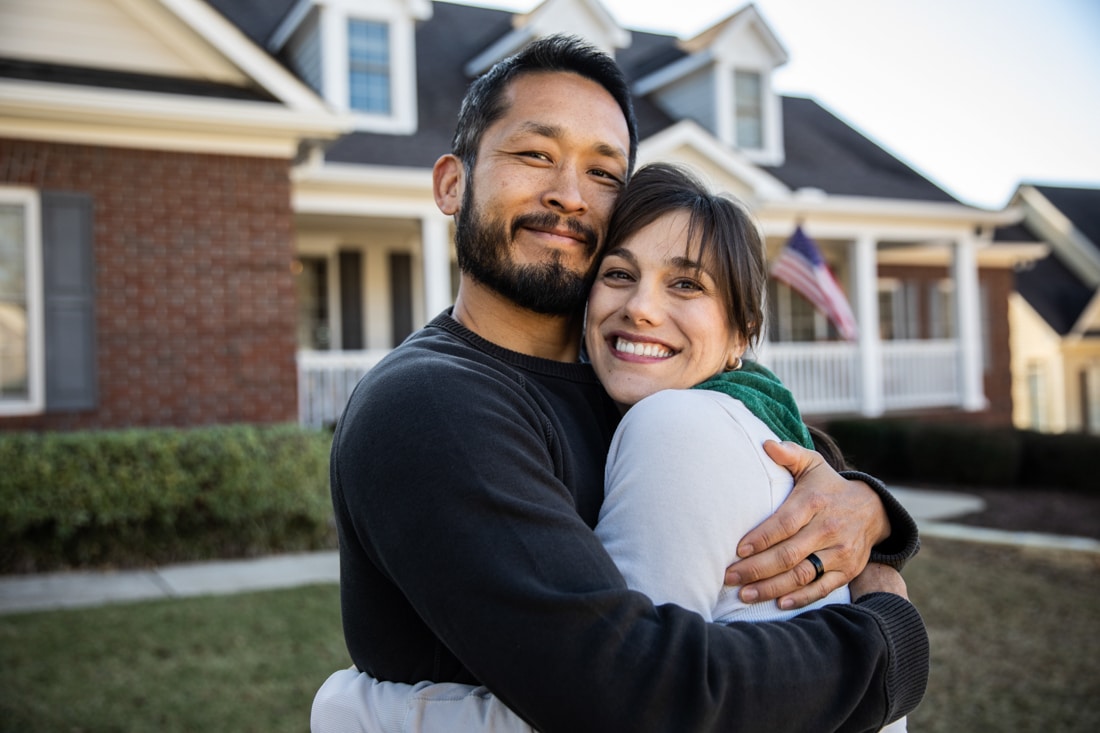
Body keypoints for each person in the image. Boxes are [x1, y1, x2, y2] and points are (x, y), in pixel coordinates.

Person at [315, 35, 926, 733]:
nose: (568, 195)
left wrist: (873, 514)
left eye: (604, 172)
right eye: (535, 153)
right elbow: (630, 696)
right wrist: (888, 641)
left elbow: (806, 468)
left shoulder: (636, 377)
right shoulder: (431, 405)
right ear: (452, 183)